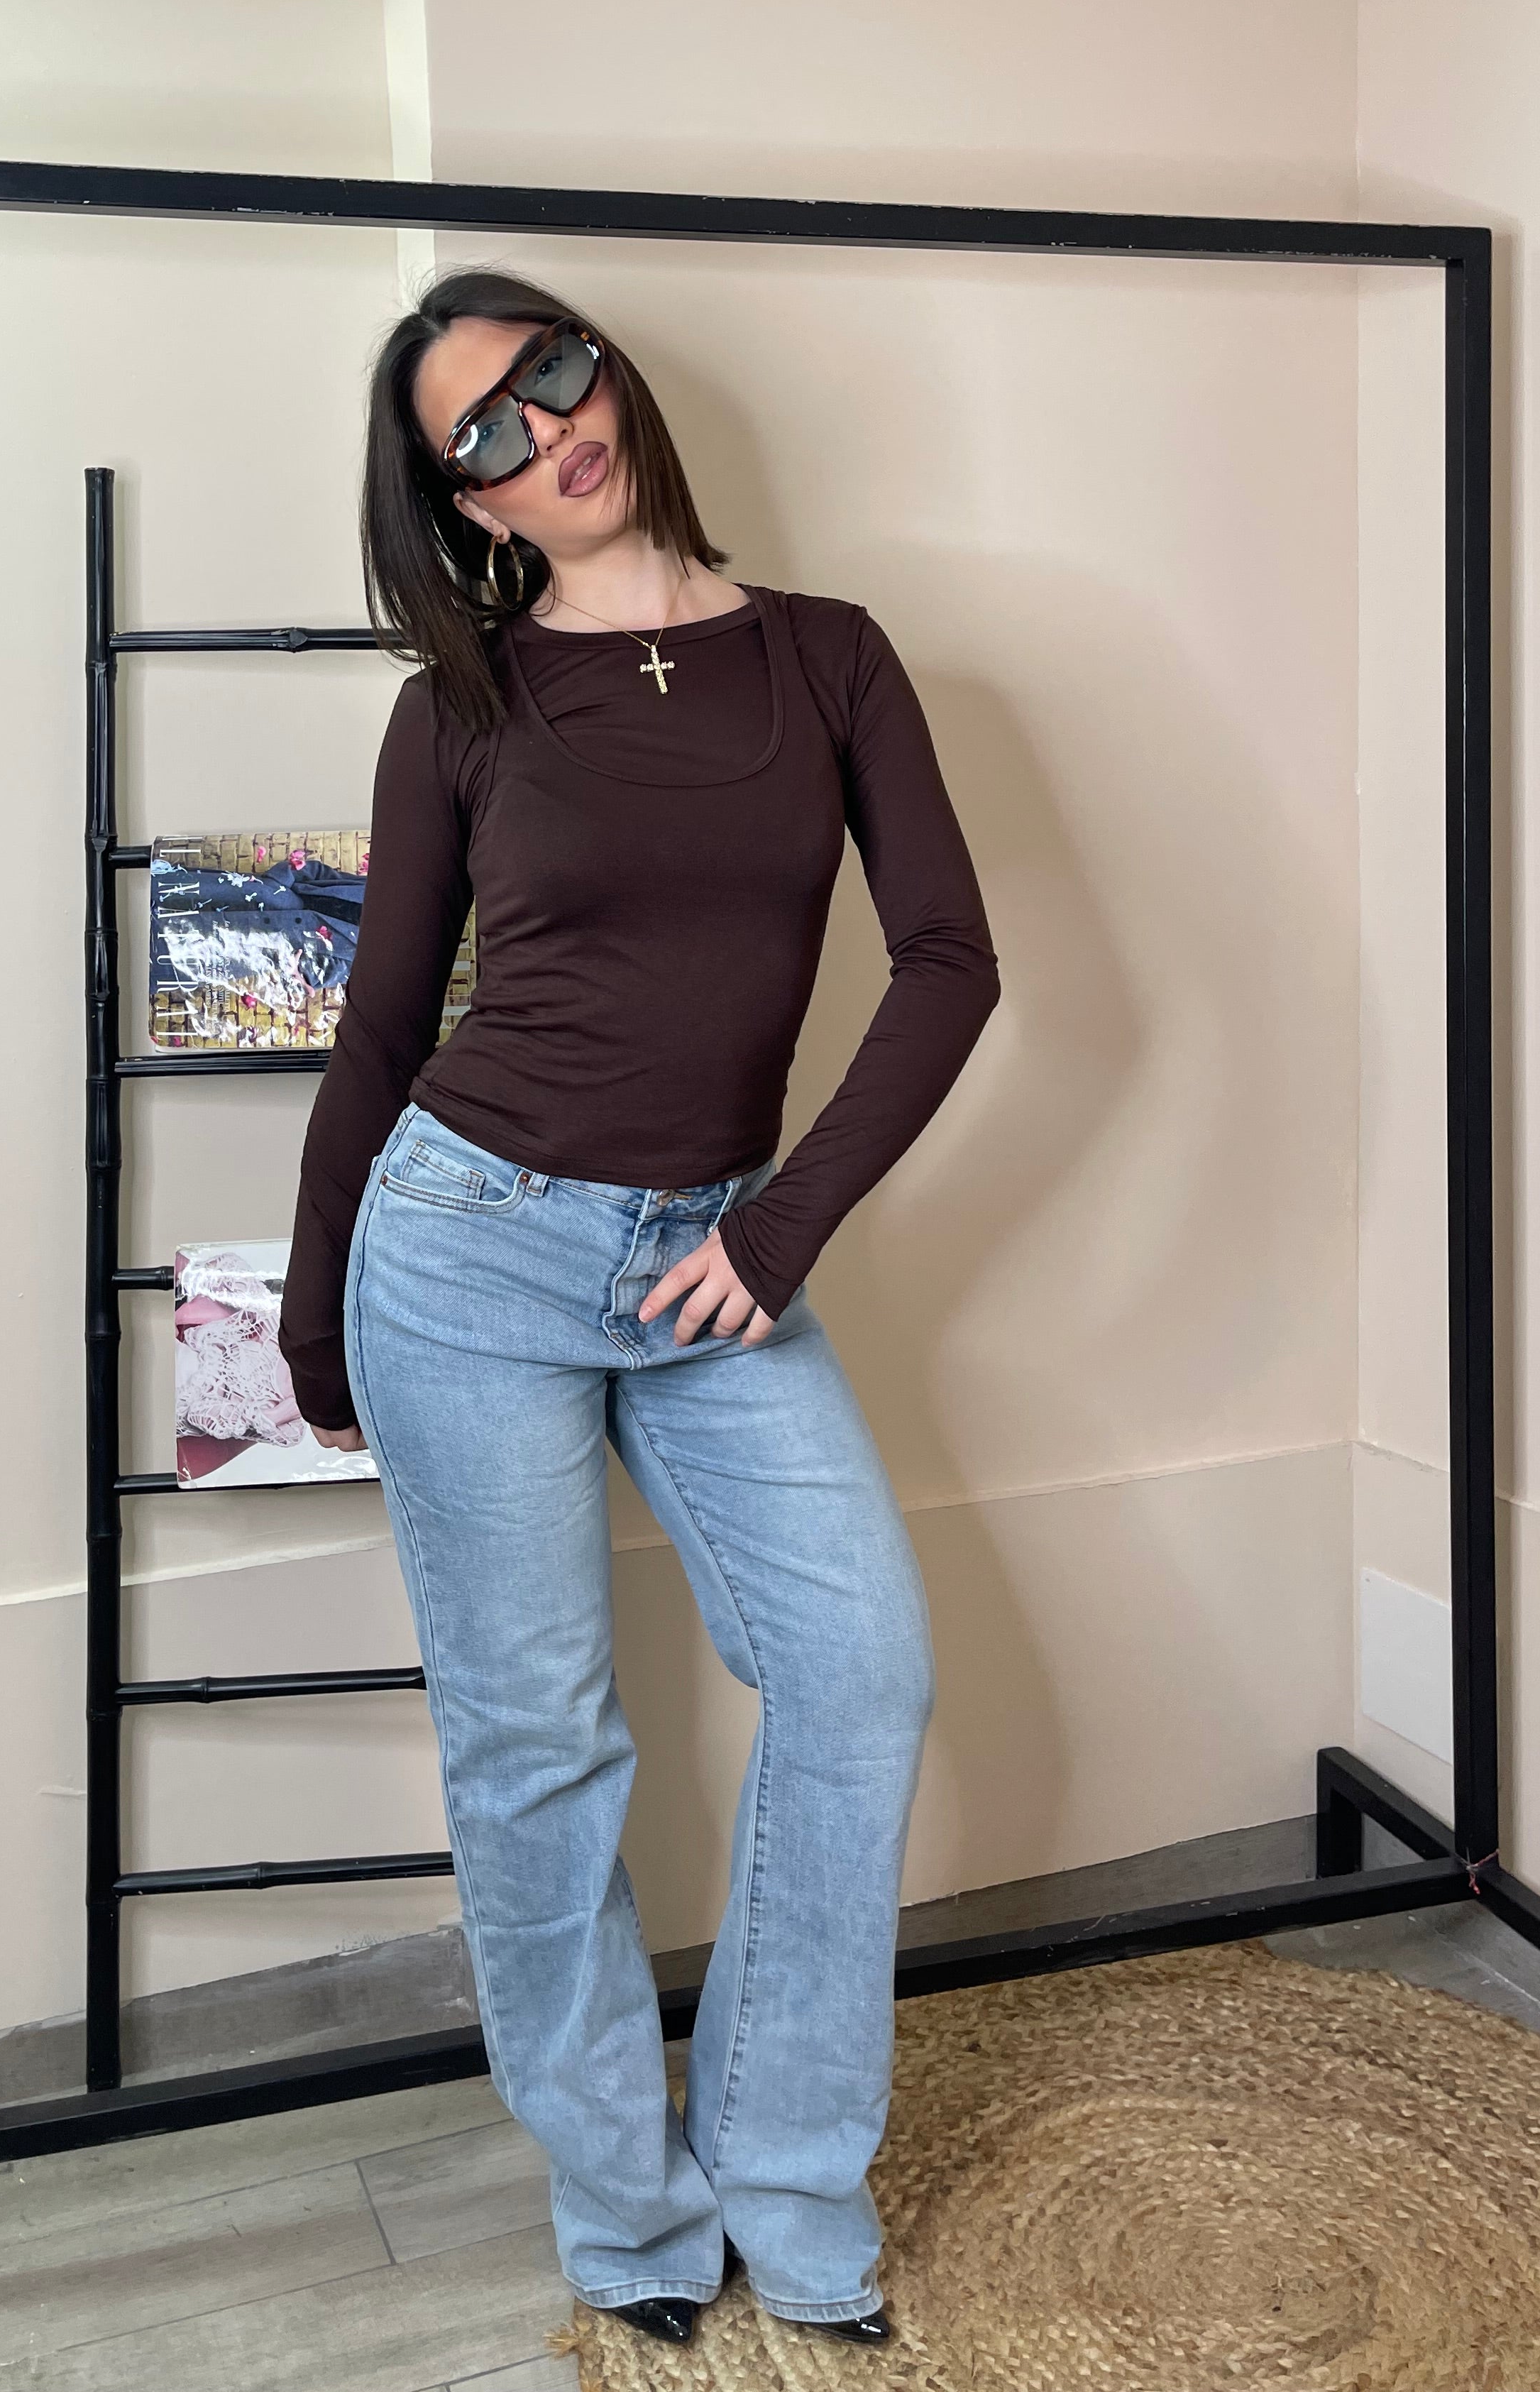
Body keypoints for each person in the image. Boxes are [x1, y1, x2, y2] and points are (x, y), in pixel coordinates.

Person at [278, 269, 999, 2351]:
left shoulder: (832, 657)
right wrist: (320, 1312)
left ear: (608, 373)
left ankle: (787, 2173)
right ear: (468, 507)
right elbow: (383, 1027)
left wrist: (779, 1236)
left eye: (552, 374)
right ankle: (626, 2207)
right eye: (482, 435)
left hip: (711, 1258)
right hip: (467, 1248)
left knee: (858, 1672)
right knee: (537, 1751)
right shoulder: (464, 705)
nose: (543, 431)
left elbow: (949, 962)